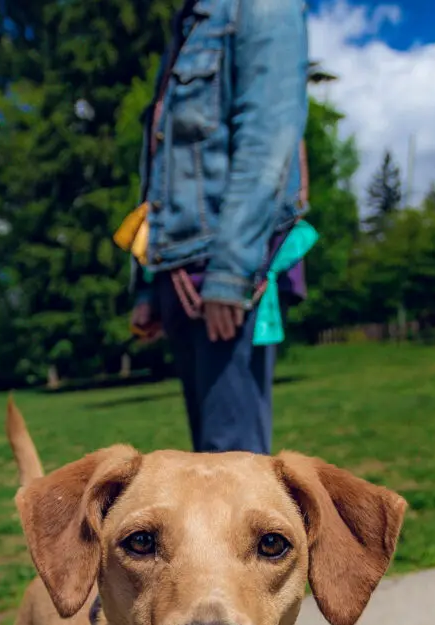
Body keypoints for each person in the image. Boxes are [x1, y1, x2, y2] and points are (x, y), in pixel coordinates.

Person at [124, 0, 309, 454]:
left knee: (234, 459)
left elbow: (268, 141)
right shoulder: (186, 28)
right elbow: (160, 174)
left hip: (223, 266)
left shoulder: (261, 7)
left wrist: (230, 272)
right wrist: (148, 284)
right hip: (178, 269)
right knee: (210, 454)